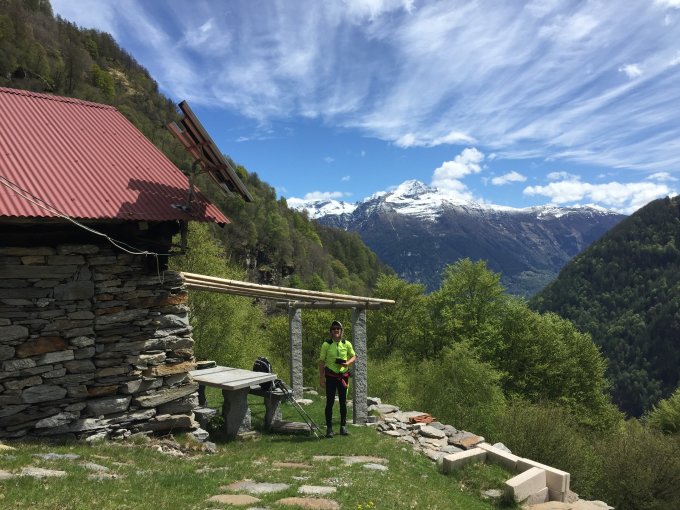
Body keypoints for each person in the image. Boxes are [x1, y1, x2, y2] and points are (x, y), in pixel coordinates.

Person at [318, 320, 356, 438]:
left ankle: (343, 427)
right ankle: (329, 429)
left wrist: (347, 363)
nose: (336, 330)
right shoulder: (326, 344)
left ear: (341, 331)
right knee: (329, 402)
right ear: (331, 331)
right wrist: (321, 378)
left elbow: (354, 356)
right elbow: (321, 361)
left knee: (343, 403)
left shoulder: (346, 343)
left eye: (338, 328)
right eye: (333, 329)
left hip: (343, 377)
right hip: (330, 377)